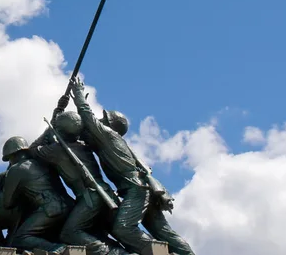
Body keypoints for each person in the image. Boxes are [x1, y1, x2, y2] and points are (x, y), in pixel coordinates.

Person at [70, 78, 195, 255]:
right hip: (140, 188)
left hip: (136, 189)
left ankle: (159, 251)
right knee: (163, 231)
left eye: (103, 119)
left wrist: (79, 95)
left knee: (123, 229)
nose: (99, 120)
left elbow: (88, 118)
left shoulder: (108, 135)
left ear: (109, 125)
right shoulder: (112, 142)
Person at [29, 99, 127, 255]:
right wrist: (58, 115)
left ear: (60, 130)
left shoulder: (56, 151)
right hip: (105, 194)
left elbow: (32, 150)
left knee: (69, 233)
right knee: (98, 234)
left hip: (90, 198)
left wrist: (51, 126)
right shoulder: (82, 146)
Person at [1, 135, 73, 253]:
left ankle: (56, 249)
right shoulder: (42, 162)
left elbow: (7, 203)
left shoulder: (15, 170)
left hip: (50, 209)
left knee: (19, 239)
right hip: (68, 205)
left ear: (11, 156)